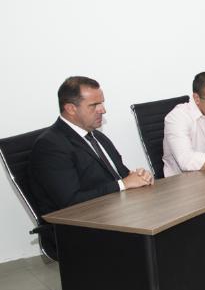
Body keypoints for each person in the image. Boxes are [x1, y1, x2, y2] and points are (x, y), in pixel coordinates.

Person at [31, 76, 153, 218]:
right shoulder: (50, 145)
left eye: (102, 103)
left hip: (117, 212)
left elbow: (121, 175)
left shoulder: (97, 136)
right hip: (84, 223)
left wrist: (139, 177)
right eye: (94, 105)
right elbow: (71, 201)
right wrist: (123, 184)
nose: (103, 110)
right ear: (71, 109)